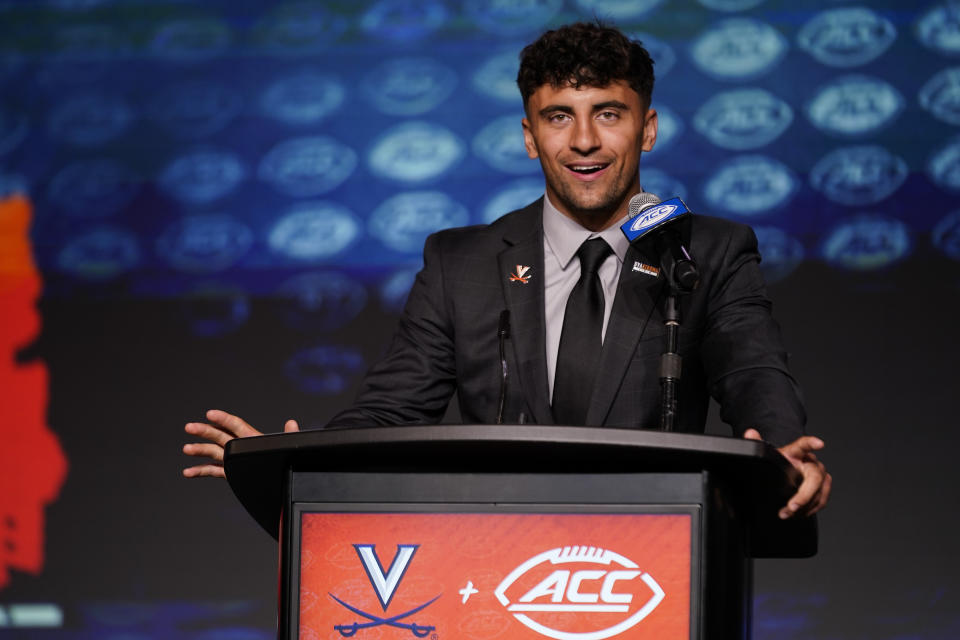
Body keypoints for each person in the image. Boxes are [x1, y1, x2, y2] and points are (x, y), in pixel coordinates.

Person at [183, 22, 831, 520]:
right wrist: (289, 458)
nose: (583, 141)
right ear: (529, 136)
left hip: (656, 550)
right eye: (559, 117)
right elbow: (391, 409)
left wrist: (780, 449)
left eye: (608, 113)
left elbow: (753, 370)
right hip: (497, 554)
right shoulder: (460, 263)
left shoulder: (706, 250)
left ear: (648, 128)